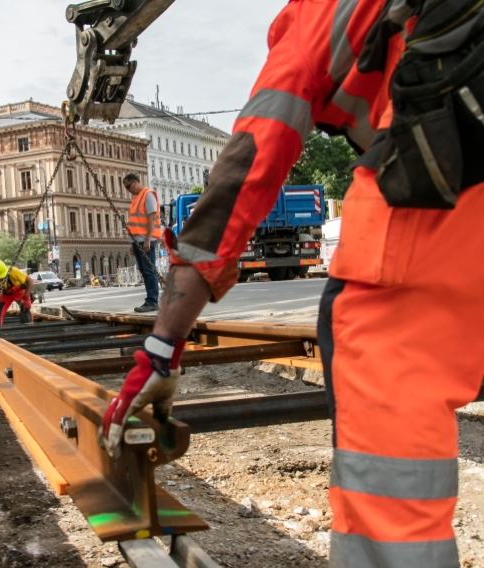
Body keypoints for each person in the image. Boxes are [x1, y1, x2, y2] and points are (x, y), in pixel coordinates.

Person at [100, 1, 484, 566]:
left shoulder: (318, 15)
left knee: (390, 433)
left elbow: (251, 163)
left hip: (446, 200)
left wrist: (161, 346)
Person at [123, 173, 161, 312]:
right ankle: (150, 299)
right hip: (137, 240)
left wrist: (147, 240)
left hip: (146, 240)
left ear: (135, 182)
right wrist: (132, 242)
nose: (128, 190)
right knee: (144, 271)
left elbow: (151, 219)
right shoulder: (136, 198)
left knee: (149, 270)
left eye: (128, 187)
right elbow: (135, 222)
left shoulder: (148, 195)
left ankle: (152, 300)